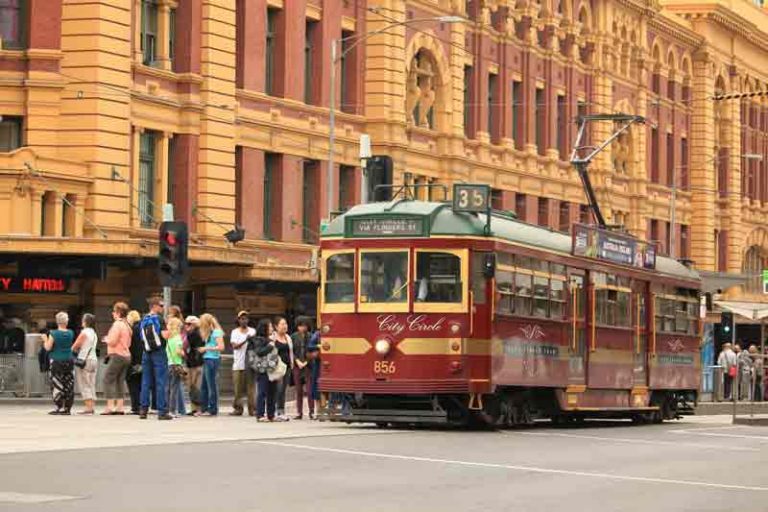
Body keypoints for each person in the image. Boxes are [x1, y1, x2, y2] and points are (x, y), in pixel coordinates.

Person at [139, 297, 171, 420]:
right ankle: (162, 411)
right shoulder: (159, 319)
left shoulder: (144, 319)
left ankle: (143, 410)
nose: (163, 308)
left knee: (145, 381)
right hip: (159, 352)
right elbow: (165, 335)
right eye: (161, 306)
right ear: (155, 306)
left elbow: (141, 337)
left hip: (146, 352)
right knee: (161, 381)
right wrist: (170, 329)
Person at [101, 302, 132, 415]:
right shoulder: (127, 325)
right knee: (120, 381)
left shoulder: (117, 324)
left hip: (117, 355)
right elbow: (128, 342)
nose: (112, 313)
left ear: (118, 313)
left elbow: (113, 341)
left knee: (107, 379)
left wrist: (106, 339)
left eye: (114, 311)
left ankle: (110, 406)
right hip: (126, 355)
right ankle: (120, 407)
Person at [44, 311, 75, 415]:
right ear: (67, 322)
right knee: (68, 383)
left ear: (57, 322)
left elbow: (48, 347)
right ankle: (67, 407)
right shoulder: (71, 332)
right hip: (69, 360)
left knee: (57, 383)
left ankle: (59, 406)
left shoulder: (53, 333)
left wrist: (45, 339)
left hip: (56, 360)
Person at [71, 313, 98, 415]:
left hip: (84, 360)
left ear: (85, 322)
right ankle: (92, 406)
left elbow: (75, 346)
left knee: (84, 383)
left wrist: (72, 350)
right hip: (94, 359)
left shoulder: (84, 332)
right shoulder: (94, 333)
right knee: (91, 383)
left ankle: (88, 407)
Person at [198, 313, 224, 416]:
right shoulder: (209, 333)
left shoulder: (217, 332)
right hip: (207, 358)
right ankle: (204, 408)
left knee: (211, 385)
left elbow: (221, 347)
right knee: (204, 386)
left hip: (213, 360)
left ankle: (212, 408)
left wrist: (206, 348)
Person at [230, 311, 255, 416]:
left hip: (250, 363)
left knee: (251, 388)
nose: (244, 320)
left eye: (245, 318)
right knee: (238, 389)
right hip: (238, 364)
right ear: (238, 320)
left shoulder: (253, 331)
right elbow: (234, 346)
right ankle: (238, 408)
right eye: (241, 318)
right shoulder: (235, 332)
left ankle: (252, 409)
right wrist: (245, 340)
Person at [253, 318, 278, 422]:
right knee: (262, 392)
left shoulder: (271, 338)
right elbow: (259, 352)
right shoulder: (259, 339)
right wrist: (270, 345)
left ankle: (271, 414)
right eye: (270, 326)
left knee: (272, 392)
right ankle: (260, 414)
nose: (272, 328)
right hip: (263, 369)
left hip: (272, 368)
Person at [291, 317, 311, 419]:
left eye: (304, 325)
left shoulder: (311, 336)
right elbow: (291, 351)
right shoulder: (293, 336)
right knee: (298, 390)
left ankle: (312, 412)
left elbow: (313, 351)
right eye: (300, 325)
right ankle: (299, 412)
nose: (302, 328)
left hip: (308, 366)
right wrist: (297, 361)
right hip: (297, 365)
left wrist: (307, 361)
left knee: (309, 389)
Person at [167, 305, 186, 414]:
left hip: (169, 364)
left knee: (169, 388)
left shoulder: (169, 339)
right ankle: (173, 410)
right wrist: (183, 353)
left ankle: (168, 409)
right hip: (177, 364)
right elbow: (179, 352)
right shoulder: (178, 338)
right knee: (175, 389)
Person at [273, 317, 294, 421]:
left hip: (287, 367)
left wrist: (292, 364)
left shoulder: (288, 338)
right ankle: (276, 411)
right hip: (277, 368)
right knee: (278, 389)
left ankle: (281, 411)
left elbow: (291, 352)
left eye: (285, 323)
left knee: (283, 390)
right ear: (276, 326)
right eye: (282, 324)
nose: (284, 326)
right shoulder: (273, 337)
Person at [184, 316, 205, 416]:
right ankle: (194, 408)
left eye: (188, 324)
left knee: (196, 386)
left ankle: (198, 409)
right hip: (191, 362)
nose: (186, 326)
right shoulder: (189, 334)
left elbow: (195, 349)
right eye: (186, 324)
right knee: (191, 387)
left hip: (196, 363)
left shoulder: (195, 334)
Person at [126, 310, 144, 414]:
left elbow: (133, 346)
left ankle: (135, 407)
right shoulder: (141, 327)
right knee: (141, 384)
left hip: (135, 360)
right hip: (142, 359)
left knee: (133, 384)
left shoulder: (133, 329)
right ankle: (141, 405)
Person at [305, 329, 321, 420]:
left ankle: (331, 410)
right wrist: (319, 346)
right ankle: (318, 411)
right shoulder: (317, 334)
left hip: (333, 363)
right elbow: (310, 346)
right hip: (319, 364)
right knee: (316, 386)